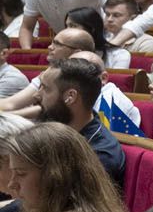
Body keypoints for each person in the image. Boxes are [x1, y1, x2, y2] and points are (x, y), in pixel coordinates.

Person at [36, 57, 126, 190]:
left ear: (70, 97)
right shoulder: (57, 133)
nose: (37, 95)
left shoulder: (99, 156)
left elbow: (55, 203)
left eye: (46, 89)